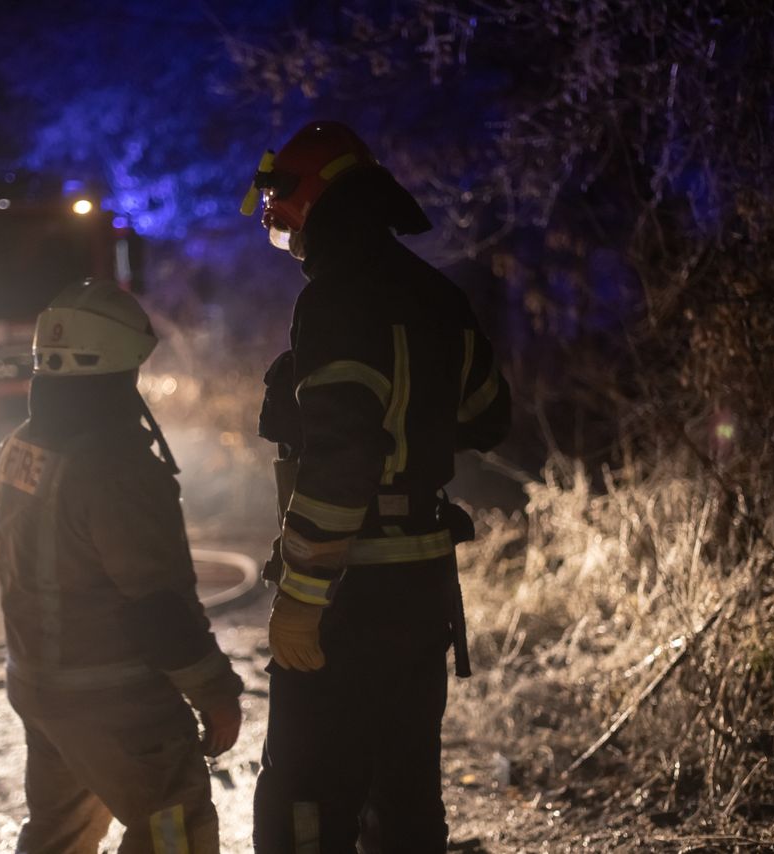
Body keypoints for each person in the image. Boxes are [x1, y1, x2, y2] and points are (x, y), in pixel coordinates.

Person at [240, 121, 512, 852]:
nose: (281, 225)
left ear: (312, 194)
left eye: (282, 204)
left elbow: (341, 458)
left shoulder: (334, 299)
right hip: (423, 591)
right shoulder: (437, 295)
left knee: (306, 795)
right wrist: (416, 425)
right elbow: (489, 415)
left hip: (346, 598)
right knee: (404, 791)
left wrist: (300, 598)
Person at [0, 278, 243, 853]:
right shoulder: (115, 465)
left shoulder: (22, 444)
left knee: (61, 832)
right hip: (112, 696)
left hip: (40, 682)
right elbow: (157, 605)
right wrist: (215, 691)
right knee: (174, 828)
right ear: (119, 364)